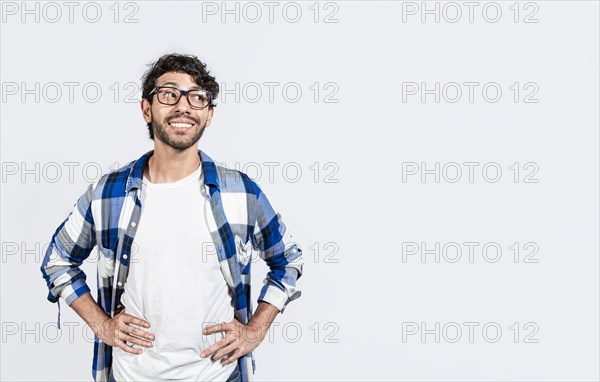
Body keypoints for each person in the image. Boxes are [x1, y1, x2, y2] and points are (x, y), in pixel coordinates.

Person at [40, 53, 304, 382]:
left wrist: (256, 329)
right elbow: (58, 260)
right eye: (169, 94)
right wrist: (101, 324)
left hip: (217, 376)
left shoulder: (241, 192)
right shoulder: (107, 193)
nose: (183, 106)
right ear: (146, 109)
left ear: (209, 115)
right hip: (129, 376)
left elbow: (288, 259)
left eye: (197, 98)